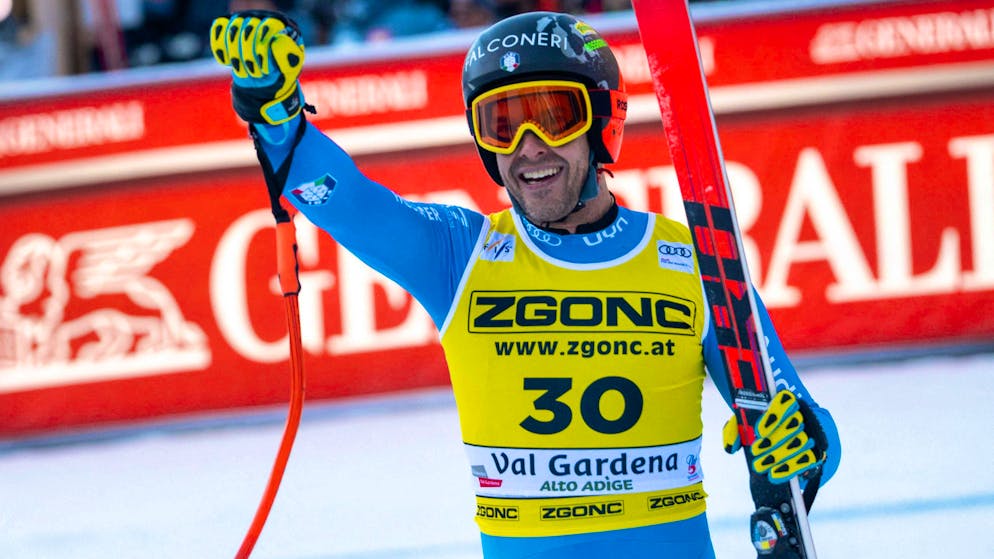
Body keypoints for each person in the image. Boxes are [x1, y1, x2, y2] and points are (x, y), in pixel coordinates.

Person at [210, 9, 841, 558]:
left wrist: (800, 445)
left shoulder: (695, 264)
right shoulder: (460, 254)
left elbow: (806, 427)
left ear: (602, 123)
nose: (529, 148)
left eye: (552, 117)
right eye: (503, 125)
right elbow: (342, 200)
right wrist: (275, 114)